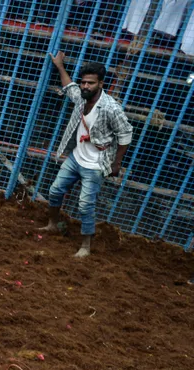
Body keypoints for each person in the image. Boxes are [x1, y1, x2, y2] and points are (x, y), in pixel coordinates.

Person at [42, 51, 132, 259]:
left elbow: (126, 134)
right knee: (55, 190)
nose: (85, 86)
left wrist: (117, 163)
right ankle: (53, 224)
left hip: (96, 164)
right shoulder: (82, 98)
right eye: (83, 82)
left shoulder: (111, 108)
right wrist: (59, 66)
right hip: (76, 158)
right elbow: (69, 86)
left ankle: (86, 246)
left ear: (101, 83)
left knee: (85, 205)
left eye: (90, 83)